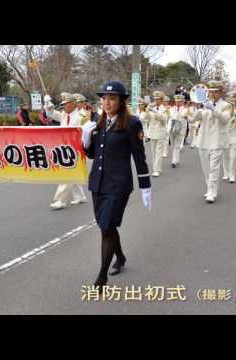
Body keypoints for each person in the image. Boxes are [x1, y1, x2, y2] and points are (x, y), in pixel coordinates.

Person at [81, 80, 151, 291]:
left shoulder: (132, 123)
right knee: (106, 226)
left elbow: (139, 157)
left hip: (118, 186)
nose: (107, 102)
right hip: (98, 183)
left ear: (122, 101)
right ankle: (120, 257)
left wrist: (145, 185)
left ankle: (102, 277)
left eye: (112, 98)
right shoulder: (98, 121)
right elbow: (94, 153)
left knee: (107, 228)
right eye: (104, 98)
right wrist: (85, 140)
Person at [189, 80, 231, 203]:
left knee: (214, 168)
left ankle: (212, 191)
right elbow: (193, 119)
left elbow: (224, 119)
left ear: (220, 92)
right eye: (211, 92)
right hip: (204, 139)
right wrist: (198, 106)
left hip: (217, 140)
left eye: (215, 92)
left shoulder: (226, 105)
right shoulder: (204, 104)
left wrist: (213, 109)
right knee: (206, 167)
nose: (213, 94)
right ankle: (210, 187)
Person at [44, 93, 88, 210]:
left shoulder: (81, 116)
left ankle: (60, 200)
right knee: (71, 173)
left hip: (75, 149)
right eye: (63, 104)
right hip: (64, 148)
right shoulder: (64, 115)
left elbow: (85, 133)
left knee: (66, 174)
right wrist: (48, 105)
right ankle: (80, 196)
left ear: (73, 104)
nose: (64, 106)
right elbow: (51, 114)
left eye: (66, 104)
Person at [222, 92, 236, 183]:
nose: (234, 102)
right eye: (232, 100)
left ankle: (232, 175)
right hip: (226, 134)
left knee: (233, 156)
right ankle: (226, 173)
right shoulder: (224, 109)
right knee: (225, 155)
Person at [148, 91, 168, 177]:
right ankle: (156, 168)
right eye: (155, 99)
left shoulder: (165, 109)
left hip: (160, 132)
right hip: (152, 132)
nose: (156, 101)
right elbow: (146, 118)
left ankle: (156, 170)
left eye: (158, 99)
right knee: (153, 152)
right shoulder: (152, 107)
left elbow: (164, 119)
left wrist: (155, 111)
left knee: (159, 152)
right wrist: (147, 109)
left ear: (162, 100)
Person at [169, 94, 189, 167]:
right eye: (177, 101)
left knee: (177, 145)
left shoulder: (186, 109)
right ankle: (176, 159)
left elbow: (184, 116)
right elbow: (172, 116)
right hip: (172, 129)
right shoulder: (171, 108)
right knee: (173, 145)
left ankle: (174, 161)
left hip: (180, 130)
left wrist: (180, 114)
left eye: (180, 101)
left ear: (183, 101)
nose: (178, 102)